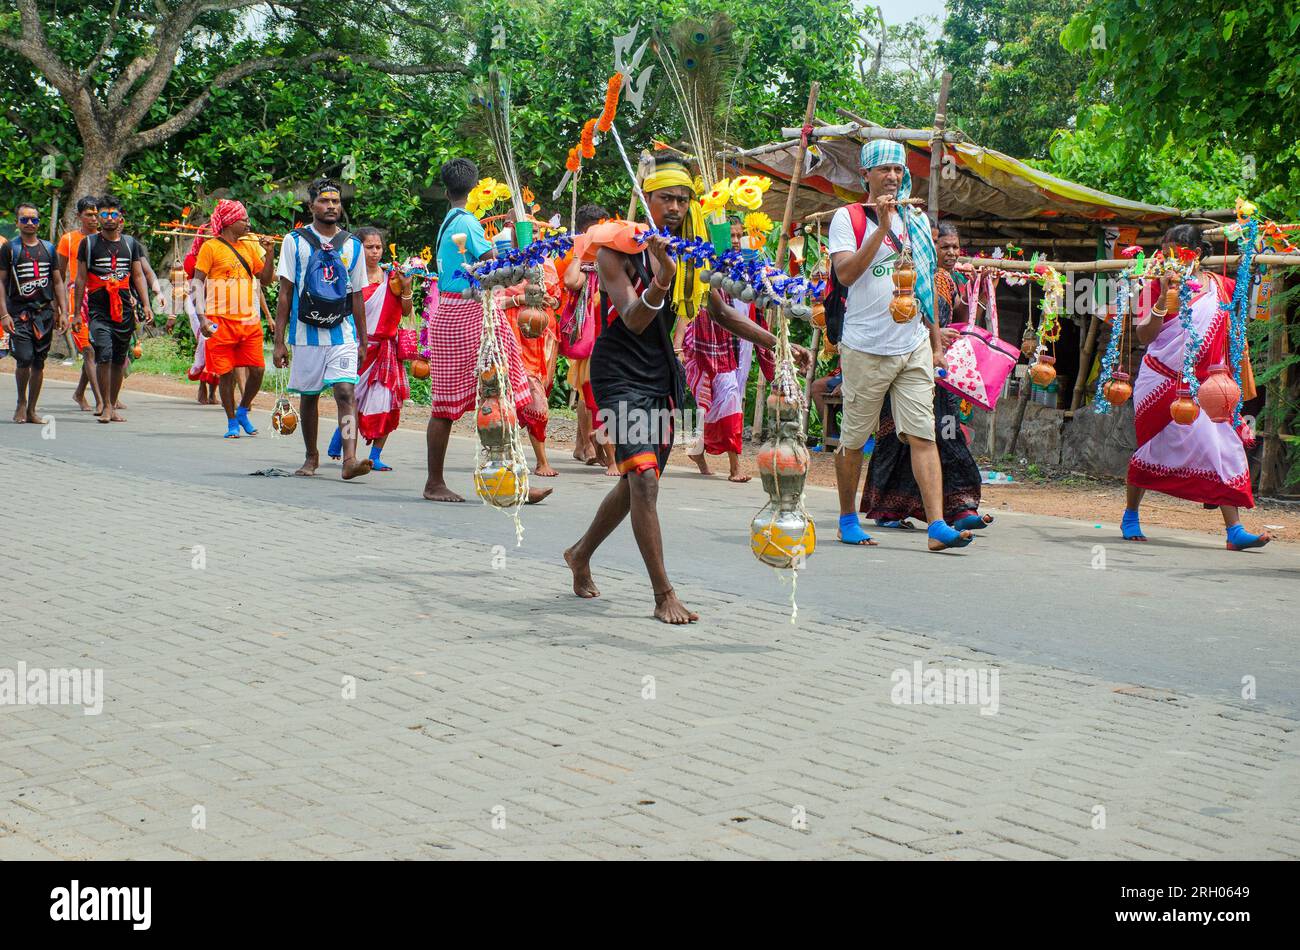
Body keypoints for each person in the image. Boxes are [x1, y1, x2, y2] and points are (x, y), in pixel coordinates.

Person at [564, 158, 808, 624]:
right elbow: (635, 319)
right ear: (647, 201)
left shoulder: (689, 253)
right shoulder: (614, 252)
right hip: (618, 372)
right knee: (645, 478)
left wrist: (776, 342)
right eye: (665, 198)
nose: (675, 208)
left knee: (638, 478)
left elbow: (720, 313)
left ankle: (580, 553)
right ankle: (663, 595)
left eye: (682, 199)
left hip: (660, 373)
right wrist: (661, 278)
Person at [827, 141, 973, 552]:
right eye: (884, 170)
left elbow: (925, 285)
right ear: (866, 176)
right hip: (865, 346)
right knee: (854, 439)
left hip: (912, 346)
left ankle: (937, 526)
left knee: (923, 434)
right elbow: (847, 274)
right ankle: (846, 518)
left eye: (898, 169)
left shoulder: (918, 222)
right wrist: (883, 229)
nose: (892, 176)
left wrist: (934, 342)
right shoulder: (847, 218)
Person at [1122, 223, 1270, 550]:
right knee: (1151, 448)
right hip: (1159, 380)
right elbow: (1145, 337)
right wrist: (1163, 296)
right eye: (1163, 249)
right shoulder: (1154, 285)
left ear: (1197, 254)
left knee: (1223, 446)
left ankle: (1234, 532)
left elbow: (1240, 320)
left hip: (1204, 387)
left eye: (1173, 250)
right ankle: (1131, 514)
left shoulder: (1220, 287)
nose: (1165, 256)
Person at [423, 158, 549, 504]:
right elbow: (494, 262)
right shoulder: (467, 223)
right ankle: (503, 480)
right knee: (504, 390)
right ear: (476, 188)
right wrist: (523, 255)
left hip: (450, 312)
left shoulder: (449, 221)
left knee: (456, 403)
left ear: (447, 190)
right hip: (470, 313)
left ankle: (504, 480)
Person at [861, 221, 992, 531]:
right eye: (940, 244)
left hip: (937, 370)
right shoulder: (904, 276)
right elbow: (895, 317)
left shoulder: (949, 279)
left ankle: (961, 507)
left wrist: (981, 291)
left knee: (947, 434)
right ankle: (889, 510)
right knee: (898, 440)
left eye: (952, 246)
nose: (947, 251)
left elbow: (965, 320)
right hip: (904, 363)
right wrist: (933, 334)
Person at [272, 177, 371, 479]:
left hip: (342, 333)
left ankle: (349, 460)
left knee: (345, 392)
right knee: (310, 397)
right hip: (305, 334)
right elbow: (285, 293)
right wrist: (279, 341)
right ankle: (311, 457)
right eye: (325, 201)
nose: (331, 206)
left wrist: (363, 341)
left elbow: (357, 296)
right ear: (311, 204)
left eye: (336, 201)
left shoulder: (353, 245)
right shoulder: (294, 241)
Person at [679, 218, 771, 482]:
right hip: (712, 344)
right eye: (729, 234)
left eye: (739, 235)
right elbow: (691, 305)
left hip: (740, 344)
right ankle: (735, 467)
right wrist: (678, 344)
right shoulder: (707, 264)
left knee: (728, 399)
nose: (734, 240)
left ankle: (698, 448)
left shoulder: (750, 266)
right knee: (728, 396)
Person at [326, 226, 412, 471]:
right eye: (369, 247)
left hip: (386, 350)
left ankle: (375, 454)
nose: (375, 252)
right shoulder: (349, 276)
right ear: (358, 248)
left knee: (387, 402)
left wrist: (406, 288)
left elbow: (405, 311)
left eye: (378, 247)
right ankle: (341, 438)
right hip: (358, 347)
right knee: (351, 399)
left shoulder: (393, 278)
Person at [191, 199, 275, 438]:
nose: (248, 223)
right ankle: (231, 422)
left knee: (258, 370)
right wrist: (202, 318)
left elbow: (266, 279)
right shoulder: (210, 248)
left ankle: (243, 409)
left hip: (248, 320)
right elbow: (197, 283)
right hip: (220, 320)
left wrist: (269, 254)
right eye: (243, 219)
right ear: (229, 222)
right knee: (226, 374)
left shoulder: (249, 246)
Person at [71, 195, 153, 423]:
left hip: (125, 310)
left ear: (120, 218)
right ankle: (105, 404)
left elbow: (137, 276)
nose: (107, 219)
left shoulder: (130, 244)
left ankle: (113, 403)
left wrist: (146, 305)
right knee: (103, 354)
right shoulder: (87, 244)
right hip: (98, 310)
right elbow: (80, 280)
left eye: (112, 214)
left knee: (119, 359)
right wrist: (77, 313)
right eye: (103, 214)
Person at [498, 218, 561, 477]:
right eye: (520, 229)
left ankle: (535, 458)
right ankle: (530, 458)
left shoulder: (546, 263)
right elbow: (491, 301)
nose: (529, 235)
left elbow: (557, 299)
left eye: (533, 231)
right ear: (509, 230)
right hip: (510, 338)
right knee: (514, 397)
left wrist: (550, 299)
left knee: (540, 393)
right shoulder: (501, 263)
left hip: (540, 338)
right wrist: (520, 298)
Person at [559, 203, 617, 475]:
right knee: (588, 390)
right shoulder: (582, 260)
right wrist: (579, 250)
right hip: (588, 336)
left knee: (594, 391)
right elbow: (571, 282)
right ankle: (589, 446)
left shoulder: (608, 255)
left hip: (609, 334)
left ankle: (589, 444)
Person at [0, 202, 66, 423]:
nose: (30, 223)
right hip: (19, 313)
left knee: (39, 361)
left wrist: (63, 311)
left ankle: (32, 409)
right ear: (17, 222)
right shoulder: (10, 249)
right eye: (25, 219)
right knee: (24, 358)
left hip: (44, 313)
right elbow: (1, 282)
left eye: (34, 220)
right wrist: (4, 314)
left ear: (39, 222)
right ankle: (21, 402)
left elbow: (57, 281)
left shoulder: (48, 248)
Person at [56, 196, 103, 412]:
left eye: (96, 214)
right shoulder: (68, 240)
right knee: (88, 350)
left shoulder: (106, 239)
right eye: (89, 215)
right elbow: (59, 275)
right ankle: (101, 400)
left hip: (102, 299)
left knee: (97, 351)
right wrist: (61, 308)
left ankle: (79, 393)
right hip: (77, 299)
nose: (94, 219)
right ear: (79, 216)